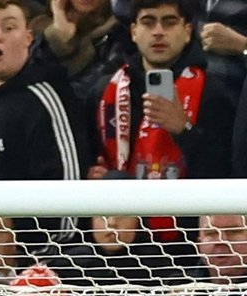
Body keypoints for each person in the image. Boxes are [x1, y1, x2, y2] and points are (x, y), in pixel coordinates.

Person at [0, 0, 89, 185]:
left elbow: (70, 192)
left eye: (9, 27)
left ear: (28, 37)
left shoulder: (46, 97)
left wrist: (11, 216)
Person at [94, 0, 234, 181]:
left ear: (187, 31)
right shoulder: (103, 92)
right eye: (148, 22)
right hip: (122, 205)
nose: (158, 32)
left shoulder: (215, 94)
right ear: (134, 31)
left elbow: (223, 175)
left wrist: (184, 130)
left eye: (169, 22)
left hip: (189, 205)